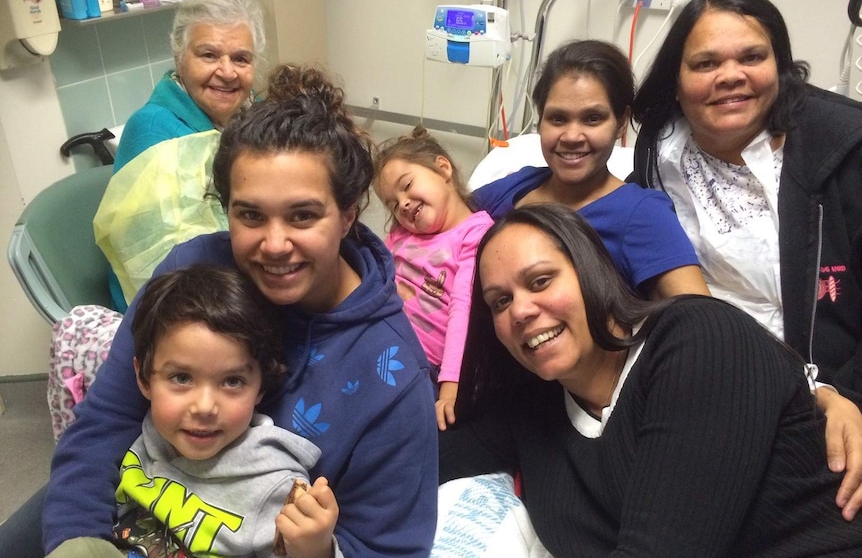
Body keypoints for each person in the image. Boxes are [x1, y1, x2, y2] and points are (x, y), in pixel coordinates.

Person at [39, 65, 438, 558]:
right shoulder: (190, 269)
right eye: (250, 215)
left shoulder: (390, 374)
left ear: (349, 214)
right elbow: (105, 424)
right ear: (225, 209)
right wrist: (76, 540)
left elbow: (390, 549)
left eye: (303, 215)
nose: (274, 245)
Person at [439, 203, 862, 556]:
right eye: (500, 301)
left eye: (541, 281)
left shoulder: (696, 340)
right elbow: (416, 455)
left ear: (591, 270)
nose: (520, 311)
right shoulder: (534, 412)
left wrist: (825, 393)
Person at [630, 0, 862, 517]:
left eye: (751, 57)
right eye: (706, 63)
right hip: (717, 379)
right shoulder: (657, 155)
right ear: (678, 81)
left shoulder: (844, 149)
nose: (730, 75)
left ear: (778, 66)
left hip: (838, 391)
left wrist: (849, 397)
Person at [49, 265, 321, 557]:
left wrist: (316, 550)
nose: (204, 407)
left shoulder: (274, 488)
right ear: (143, 379)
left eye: (232, 381)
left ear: (261, 388)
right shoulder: (146, 439)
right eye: (181, 378)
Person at [472, 39, 709, 299]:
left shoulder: (641, 214)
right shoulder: (514, 187)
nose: (572, 136)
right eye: (558, 119)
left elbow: (699, 321)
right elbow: (443, 226)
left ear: (620, 124)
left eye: (592, 119)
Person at [101, 0, 266, 312]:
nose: (228, 72)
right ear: (179, 58)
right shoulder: (153, 131)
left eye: (241, 59)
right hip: (175, 306)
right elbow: (172, 269)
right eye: (209, 55)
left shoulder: (252, 111)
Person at [373, 125, 494, 431]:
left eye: (407, 184)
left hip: (426, 367)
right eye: (391, 203)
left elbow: (462, 310)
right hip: (377, 341)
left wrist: (450, 384)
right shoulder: (400, 235)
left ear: (443, 168)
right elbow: (375, 279)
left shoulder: (476, 235)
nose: (402, 204)